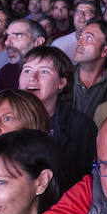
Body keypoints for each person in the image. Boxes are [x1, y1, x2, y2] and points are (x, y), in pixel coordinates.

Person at [19, 46, 97, 191]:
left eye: (44, 72)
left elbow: (86, 183)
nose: (32, 78)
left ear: (62, 83)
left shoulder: (81, 127)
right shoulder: (0, 120)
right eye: (27, 70)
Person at [70, 20, 107, 120]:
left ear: (105, 51)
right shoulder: (63, 77)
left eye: (89, 38)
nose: (79, 42)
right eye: (81, 37)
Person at [0, 19, 47, 92]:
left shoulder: (53, 73)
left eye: (18, 36)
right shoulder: (6, 71)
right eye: (7, 36)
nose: (7, 42)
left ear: (38, 42)